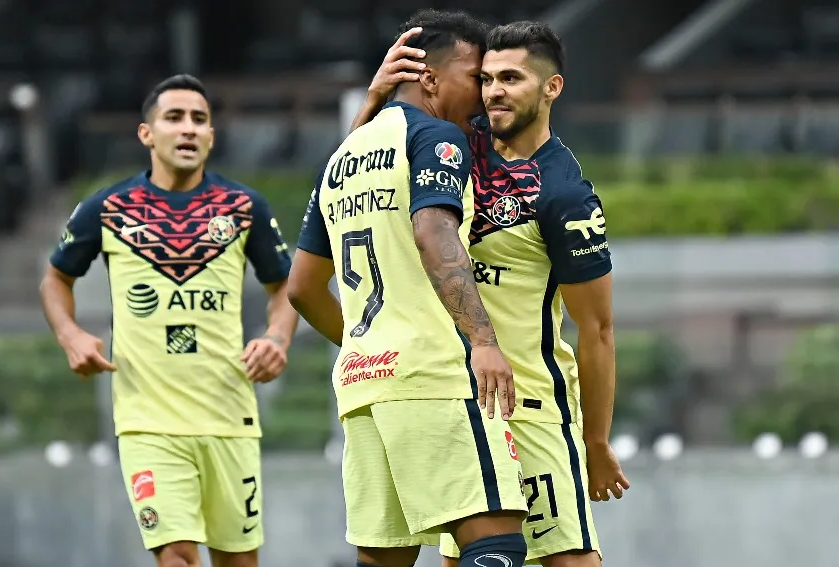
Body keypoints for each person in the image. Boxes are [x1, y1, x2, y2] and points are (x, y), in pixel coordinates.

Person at [352, 20, 630, 567]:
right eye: (486, 78)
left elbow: (597, 329)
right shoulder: (456, 141)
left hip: (530, 411)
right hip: (460, 408)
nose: (493, 91)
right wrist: (378, 100)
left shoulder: (565, 193)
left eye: (511, 78)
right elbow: (363, 176)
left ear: (551, 88)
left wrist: (596, 442)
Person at [287, 10, 529, 567]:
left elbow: (302, 287)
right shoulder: (437, 137)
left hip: (363, 384)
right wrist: (483, 340)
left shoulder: (343, 156)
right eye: (475, 76)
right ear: (429, 78)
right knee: (495, 541)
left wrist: (370, 349)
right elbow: (433, 231)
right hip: (433, 374)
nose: (484, 92)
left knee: (384, 560)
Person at [39, 74, 299, 567]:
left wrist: (277, 338)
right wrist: (70, 334)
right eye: (174, 117)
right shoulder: (108, 207)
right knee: (177, 555)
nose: (188, 129)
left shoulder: (243, 207)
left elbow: (285, 286)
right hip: (148, 421)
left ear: (211, 136)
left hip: (229, 416)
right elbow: (55, 279)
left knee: (239, 561)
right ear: (146, 133)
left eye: (199, 120)